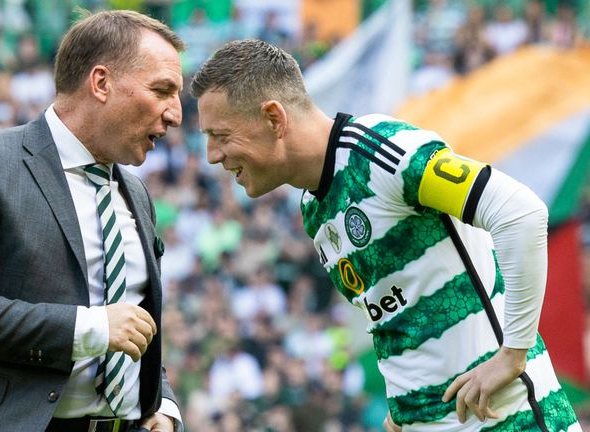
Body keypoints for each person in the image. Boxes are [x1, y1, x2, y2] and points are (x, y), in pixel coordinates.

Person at [191, 39, 580, 431]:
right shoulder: (314, 208)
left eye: (221, 136)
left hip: (507, 421)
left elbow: (521, 214)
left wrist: (514, 353)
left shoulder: (383, 153)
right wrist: (402, 409)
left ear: (274, 118)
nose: (211, 155)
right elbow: (395, 315)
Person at [0, 10, 185, 432]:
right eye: (162, 90)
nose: (175, 114)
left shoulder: (137, 194)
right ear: (101, 83)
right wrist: (89, 328)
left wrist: (161, 402)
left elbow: (133, 323)